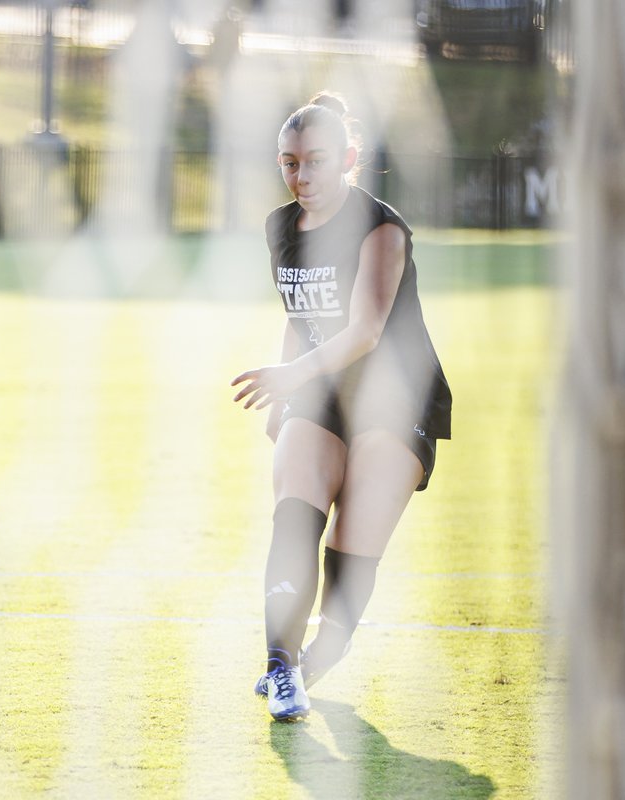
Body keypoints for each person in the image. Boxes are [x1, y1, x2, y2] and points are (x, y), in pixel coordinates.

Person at [231, 92, 452, 721]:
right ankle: (280, 667)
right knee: (294, 515)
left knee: (351, 561)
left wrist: (289, 375)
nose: (301, 177)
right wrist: (287, 394)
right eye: (289, 163)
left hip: (396, 396)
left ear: (350, 158)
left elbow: (365, 330)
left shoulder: (381, 228)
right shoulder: (280, 228)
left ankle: (321, 652)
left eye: (316, 162)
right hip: (322, 390)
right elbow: (300, 316)